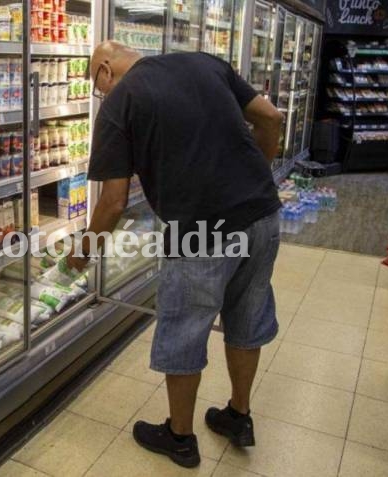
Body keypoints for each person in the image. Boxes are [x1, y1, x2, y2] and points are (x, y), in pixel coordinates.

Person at [66, 41, 284, 468]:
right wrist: (257, 175)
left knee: (185, 327)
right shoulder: (204, 62)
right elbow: (271, 117)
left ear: (105, 71)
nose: (100, 93)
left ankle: (180, 437)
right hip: (261, 215)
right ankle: (239, 416)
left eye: (96, 84)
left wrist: (84, 252)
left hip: (199, 230)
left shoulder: (118, 103)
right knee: (249, 313)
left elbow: (112, 201)